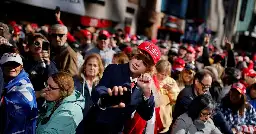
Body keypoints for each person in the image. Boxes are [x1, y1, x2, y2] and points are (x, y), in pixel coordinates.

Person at [80, 41, 161, 134]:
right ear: (133, 55)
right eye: (137, 57)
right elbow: (98, 90)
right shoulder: (114, 69)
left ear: (148, 69)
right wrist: (107, 98)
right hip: (95, 127)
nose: (138, 63)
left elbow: (147, 115)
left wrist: (147, 93)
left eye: (144, 63)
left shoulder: (144, 84)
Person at [0, 53, 37, 134]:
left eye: (15, 65)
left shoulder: (23, 85)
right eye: (7, 64)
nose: (11, 67)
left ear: (21, 67)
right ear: (2, 67)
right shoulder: (8, 82)